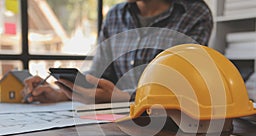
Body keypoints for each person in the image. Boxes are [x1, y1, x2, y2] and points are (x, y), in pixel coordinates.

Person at [22, 0, 213, 104]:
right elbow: (98, 75)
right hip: (115, 122)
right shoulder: (115, 16)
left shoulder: (195, 13)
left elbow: (180, 86)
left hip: (168, 124)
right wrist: (62, 92)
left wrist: (122, 97)